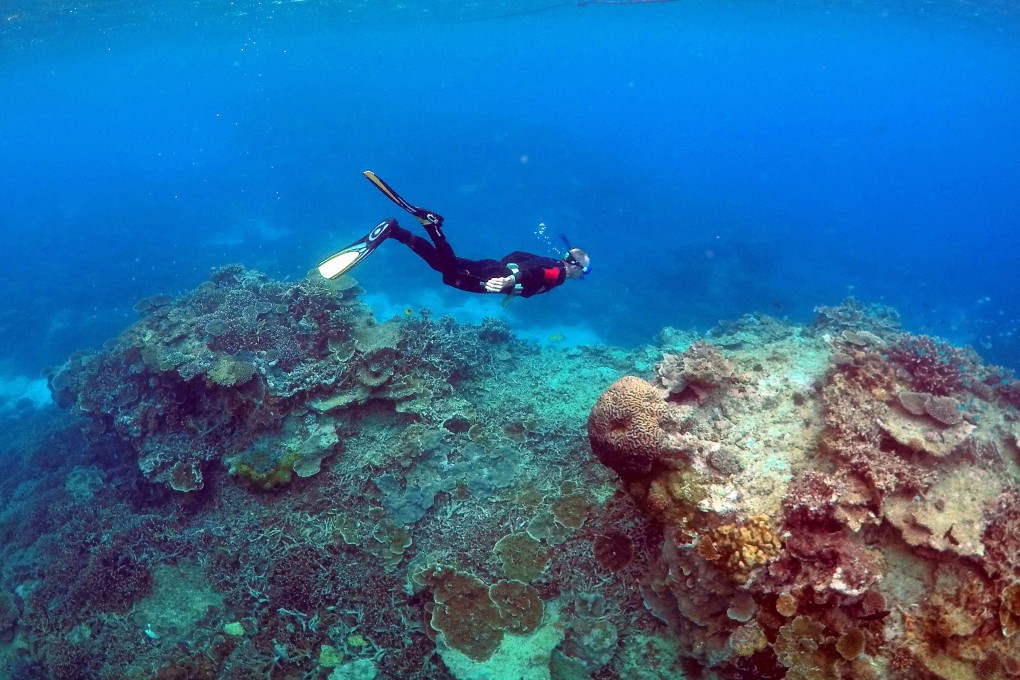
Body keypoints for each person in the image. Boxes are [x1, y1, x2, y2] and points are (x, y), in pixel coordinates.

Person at [317, 172, 590, 298]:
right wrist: (510, 278)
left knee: (442, 265)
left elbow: (519, 256)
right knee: (449, 274)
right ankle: (432, 225)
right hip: (493, 276)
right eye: (585, 272)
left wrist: (509, 271)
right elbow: (535, 272)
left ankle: (395, 231)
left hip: (493, 267)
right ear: (575, 265)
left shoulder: (549, 260)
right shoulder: (560, 273)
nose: (582, 276)